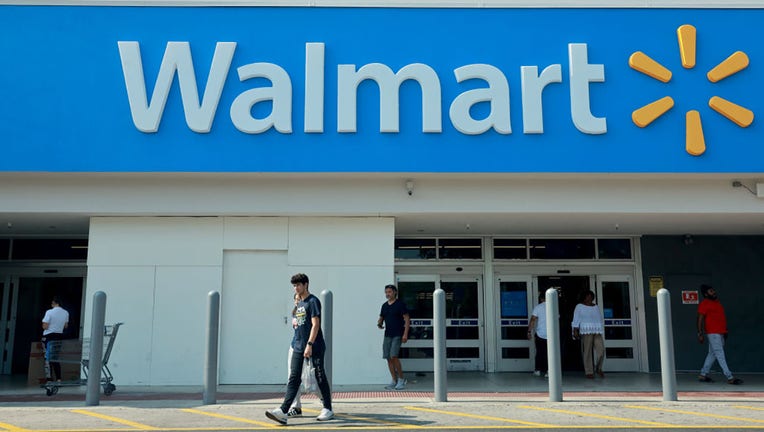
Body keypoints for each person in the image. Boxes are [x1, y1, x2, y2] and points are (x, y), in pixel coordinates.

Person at [266, 273, 333, 425]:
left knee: (320, 375)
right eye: (294, 286)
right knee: (294, 378)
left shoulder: (313, 301)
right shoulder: (300, 303)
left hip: (314, 345)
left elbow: (316, 325)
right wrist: (299, 344)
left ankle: (328, 408)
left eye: (298, 285)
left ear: (306, 285)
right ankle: (284, 411)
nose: (295, 288)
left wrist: (309, 344)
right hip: (298, 346)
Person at [697, 284, 743, 385]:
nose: (713, 292)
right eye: (710, 291)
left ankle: (703, 374)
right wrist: (700, 333)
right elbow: (700, 319)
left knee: (712, 354)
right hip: (713, 333)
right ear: (705, 294)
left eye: (713, 290)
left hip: (720, 333)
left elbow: (720, 318)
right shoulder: (705, 303)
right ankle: (729, 377)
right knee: (720, 354)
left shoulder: (717, 303)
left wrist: (725, 331)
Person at [377, 284, 410, 390]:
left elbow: (407, 319)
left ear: (395, 292)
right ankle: (394, 380)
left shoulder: (400, 305)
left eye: (390, 292)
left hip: (398, 334)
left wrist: (405, 334)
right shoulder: (384, 306)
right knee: (388, 357)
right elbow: (381, 317)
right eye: (386, 292)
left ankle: (401, 379)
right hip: (387, 334)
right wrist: (379, 323)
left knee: (393, 356)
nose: (387, 294)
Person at [571, 290, 604, 379]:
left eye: (591, 296)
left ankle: (598, 368)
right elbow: (576, 318)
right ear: (584, 297)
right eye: (587, 296)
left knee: (601, 351)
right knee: (587, 352)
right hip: (586, 331)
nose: (589, 298)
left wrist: (600, 328)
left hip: (596, 331)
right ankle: (589, 371)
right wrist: (575, 330)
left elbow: (599, 318)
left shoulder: (596, 307)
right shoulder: (579, 306)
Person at [41, 296, 69, 382]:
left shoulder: (49, 312)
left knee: (47, 358)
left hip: (49, 336)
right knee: (55, 357)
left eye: (52, 303)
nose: (51, 305)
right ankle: (59, 378)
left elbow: (45, 326)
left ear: (55, 303)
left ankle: (49, 378)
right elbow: (65, 326)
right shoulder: (66, 313)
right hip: (59, 336)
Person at [285, 293, 303, 417]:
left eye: (299, 299)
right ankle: (295, 407)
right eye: (295, 299)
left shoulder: (306, 311)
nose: (297, 301)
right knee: (292, 377)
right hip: (294, 346)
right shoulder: (294, 313)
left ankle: (325, 401)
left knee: (312, 378)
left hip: (305, 348)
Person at [528, 292, 548, 378]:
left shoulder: (538, 307)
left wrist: (529, 331)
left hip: (540, 333)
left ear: (541, 299)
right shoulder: (555, 307)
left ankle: (538, 370)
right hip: (551, 335)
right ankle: (549, 371)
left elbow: (533, 320)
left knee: (540, 352)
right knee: (550, 354)